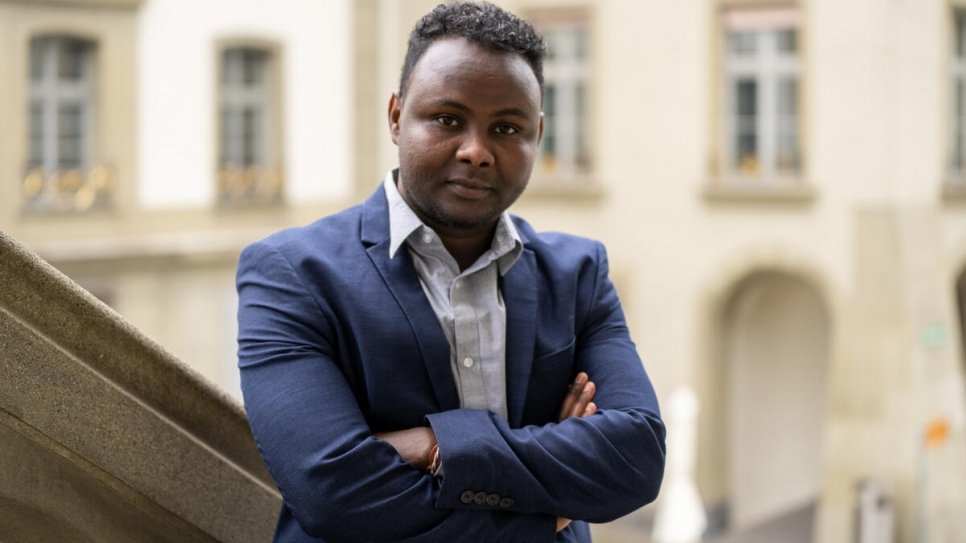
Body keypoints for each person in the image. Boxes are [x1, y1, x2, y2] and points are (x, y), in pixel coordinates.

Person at [236, 2, 665, 542]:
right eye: (447, 119)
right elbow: (331, 490)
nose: (476, 151)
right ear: (396, 116)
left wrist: (435, 446)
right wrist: (547, 510)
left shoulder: (578, 273)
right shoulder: (290, 274)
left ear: (538, 134)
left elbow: (636, 459)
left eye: (506, 128)